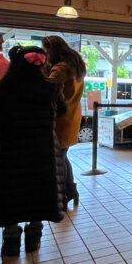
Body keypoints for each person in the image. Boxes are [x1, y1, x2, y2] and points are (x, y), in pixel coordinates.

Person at [0, 46, 66, 256]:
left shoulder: (7, 87)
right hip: (42, 149)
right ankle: (34, 237)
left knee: (12, 194)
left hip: (11, 149)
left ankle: (11, 241)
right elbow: (62, 109)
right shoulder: (50, 88)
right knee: (39, 191)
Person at [41, 35, 85, 207]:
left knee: (58, 159)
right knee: (62, 156)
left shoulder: (60, 68)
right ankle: (70, 191)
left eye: (45, 50)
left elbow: (46, 89)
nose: (44, 54)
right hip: (71, 116)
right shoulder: (76, 65)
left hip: (60, 119)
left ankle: (65, 193)